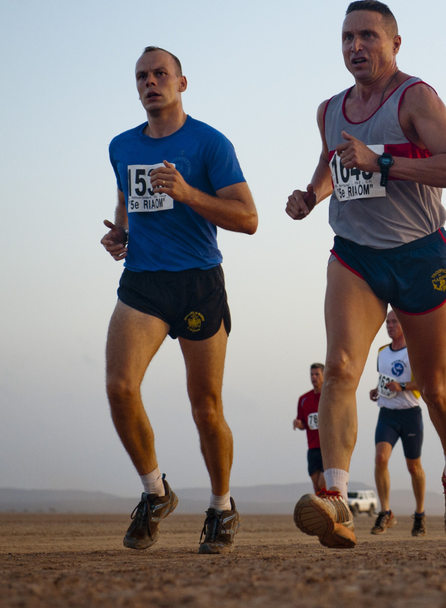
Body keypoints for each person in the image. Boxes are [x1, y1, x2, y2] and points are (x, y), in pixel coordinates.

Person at [286, 1, 446, 549]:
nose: (356, 47)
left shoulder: (415, 97)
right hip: (355, 255)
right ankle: (336, 497)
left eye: (369, 36)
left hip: (421, 255)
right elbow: (333, 165)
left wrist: (385, 161)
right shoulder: (329, 109)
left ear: (395, 44)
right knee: (343, 367)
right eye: (348, 37)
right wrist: (310, 195)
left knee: (435, 385)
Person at [101, 46, 258, 554]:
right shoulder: (121, 144)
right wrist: (120, 232)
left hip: (197, 282)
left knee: (206, 407)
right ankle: (155, 493)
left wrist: (189, 193)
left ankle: (221, 506)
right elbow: (129, 194)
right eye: (142, 76)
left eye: (160, 74)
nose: (151, 82)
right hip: (143, 282)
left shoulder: (209, 143)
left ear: (182, 83)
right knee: (120, 387)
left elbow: (248, 219)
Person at [366, 310, 428, 536]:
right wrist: (377, 390)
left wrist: (403, 387)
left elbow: (425, 382)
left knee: (414, 467)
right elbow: (384, 379)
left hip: (410, 414)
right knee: (380, 458)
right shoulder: (382, 352)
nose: (390, 326)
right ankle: (386, 512)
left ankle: (420, 515)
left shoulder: (414, 350)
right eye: (388, 323)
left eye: (394, 322)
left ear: (405, 324)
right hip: (387, 414)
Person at [294, 364, 327, 493]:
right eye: (312, 374)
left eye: (317, 374)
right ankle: (319, 512)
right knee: (317, 488)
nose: (314, 377)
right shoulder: (303, 399)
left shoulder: (330, 396)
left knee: (323, 483)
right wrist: (298, 424)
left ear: (324, 375)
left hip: (328, 447)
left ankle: (330, 510)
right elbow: (303, 424)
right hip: (313, 448)